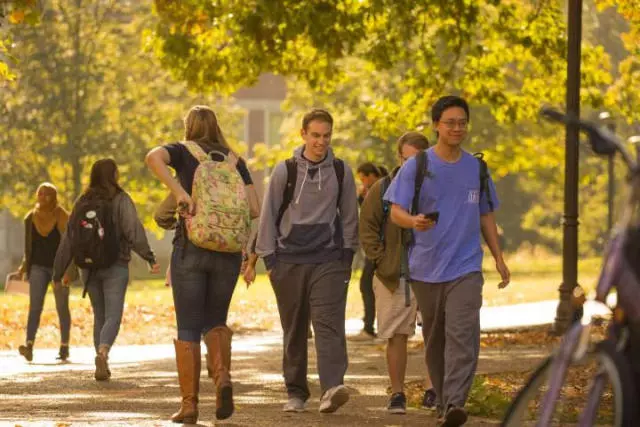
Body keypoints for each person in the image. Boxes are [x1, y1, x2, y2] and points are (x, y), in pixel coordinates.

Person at [385, 96, 511, 426]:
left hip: (466, 266)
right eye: (450, 122)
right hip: (426, 267)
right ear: (436, 125)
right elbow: (395, 210)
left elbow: (486, 214)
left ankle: (455, 402)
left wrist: (498, 257)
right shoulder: (418, 165)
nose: (457, 128)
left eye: (462, 122)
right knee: (436, 340)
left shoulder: (477, 168)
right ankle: (442, 400)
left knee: (462, 333)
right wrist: (413, 221)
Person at [146, 105, 260, 423]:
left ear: (189, 127)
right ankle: (222, 376)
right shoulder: (236, 161)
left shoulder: (183, 152)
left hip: (191, 247)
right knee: (215, 321)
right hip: (227, 252)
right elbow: (253, 208)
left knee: (188, 326)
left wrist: (180, 192)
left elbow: (152, 158)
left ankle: (190, 405)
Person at [255, 108, 359, 414]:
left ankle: (331, 388)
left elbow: (350, 216)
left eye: (326, 136)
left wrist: (347, 255)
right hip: (287, 260)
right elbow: (268, 216)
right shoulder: (284, 170)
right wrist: (269, 260)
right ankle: (296, 392)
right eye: (315, 135)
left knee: (328, 324)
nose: (321, 142)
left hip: (328, 259)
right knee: (295, 328)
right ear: (303, 135)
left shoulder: (341, 171)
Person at [53, 159, 159, 381]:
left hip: (88, 268)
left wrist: (59, 269)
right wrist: (148, 256)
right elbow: (133, 230)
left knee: (99, 315)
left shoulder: (83, 200)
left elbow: (70, 237)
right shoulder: (120, 199)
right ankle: (103, 351)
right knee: (113, 315)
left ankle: (101, 359)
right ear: (114, 175)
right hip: (115, 263)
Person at [359, 132, 436, 414]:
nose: (411, 165)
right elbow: (366, 228)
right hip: (394, 273)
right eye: (406, 159)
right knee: (396, 335)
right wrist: (382, 260)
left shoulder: (437, 186)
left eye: (417, 160)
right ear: (398, 157)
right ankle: (398, 394)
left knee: (434, 332)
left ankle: (433, 390)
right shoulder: (383, 189)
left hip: (433, 271)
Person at [15, 183, 77, 362]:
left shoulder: (61, 216)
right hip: (38, 268)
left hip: (59, 268)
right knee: (34, 307)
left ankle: (64, 346)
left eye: (46, 194)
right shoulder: (30, 218)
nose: (41, 197)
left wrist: (69, 271)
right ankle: (29, 345)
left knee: (62, 307)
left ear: (53, 196)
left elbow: (71, 245)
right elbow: (29, 248)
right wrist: (23, 268)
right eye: (39, 193)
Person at [352, 162, 387, 340]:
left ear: (372, 174)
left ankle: (369, 327)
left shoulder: (382, 189)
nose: (363, 182)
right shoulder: (373, 191)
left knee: (367, 286)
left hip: (379, 249)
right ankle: (371, 325)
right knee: (370, 287)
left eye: (364, 177)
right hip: (373, 248)